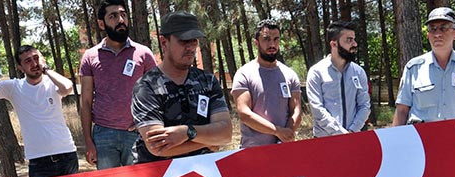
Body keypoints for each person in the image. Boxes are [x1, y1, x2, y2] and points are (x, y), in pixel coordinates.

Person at [130, 11, 232, 163]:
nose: (191, 47)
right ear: (164, 42)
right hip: (160, 172)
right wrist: (208, 141)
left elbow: (226, 133)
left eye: (194, 41)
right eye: (184, 41)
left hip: (204, 169)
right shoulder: (146, 86)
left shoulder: (207, 81)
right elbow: (157, 147)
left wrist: (187, 132)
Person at [392, 7, 455, 149]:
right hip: (421, 145)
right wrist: (395, 146)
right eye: (433, 29)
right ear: (427, 35)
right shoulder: (414, 68)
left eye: (443, 28)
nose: (437, 34)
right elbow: (402, 110)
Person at [80, 0, 156, 170]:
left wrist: (145, 122)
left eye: (123, 15)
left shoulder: (143, 53)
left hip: (137, 133)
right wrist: (88, 141)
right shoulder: (90, 57)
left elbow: (157, 92)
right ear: (102, 24)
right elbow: (85, 102)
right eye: (113, 16)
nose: (120, 20)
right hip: (103, 135)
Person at [0, 45, 78, 177]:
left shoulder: (52, 82)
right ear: (20, 68)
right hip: (38, 161)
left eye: (36, 58)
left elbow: (67, 87)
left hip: (66, 154)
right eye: (28, 61)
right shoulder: (14, 87)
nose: (34, 64)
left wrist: (46, 69)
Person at [231, 19, 302, 147]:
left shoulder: (290, 75)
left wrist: (287, 134)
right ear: (256, 43)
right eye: (266, 39)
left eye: (276, 39)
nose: (272, 44)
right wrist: (277, 131)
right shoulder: (244, 74)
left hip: (284, 149)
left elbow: (296, 110)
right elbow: (244, 114)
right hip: (253, 151)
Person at [306, 20, 371, 137]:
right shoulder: (316, 72)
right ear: (334, 44)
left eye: (354, 39)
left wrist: (352, 131)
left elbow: (364, 106)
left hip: (353, 137)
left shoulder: (358, 72)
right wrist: (340, 133)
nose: (355, 44)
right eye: (349, 40)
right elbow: (317, 109)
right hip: (324, 141)